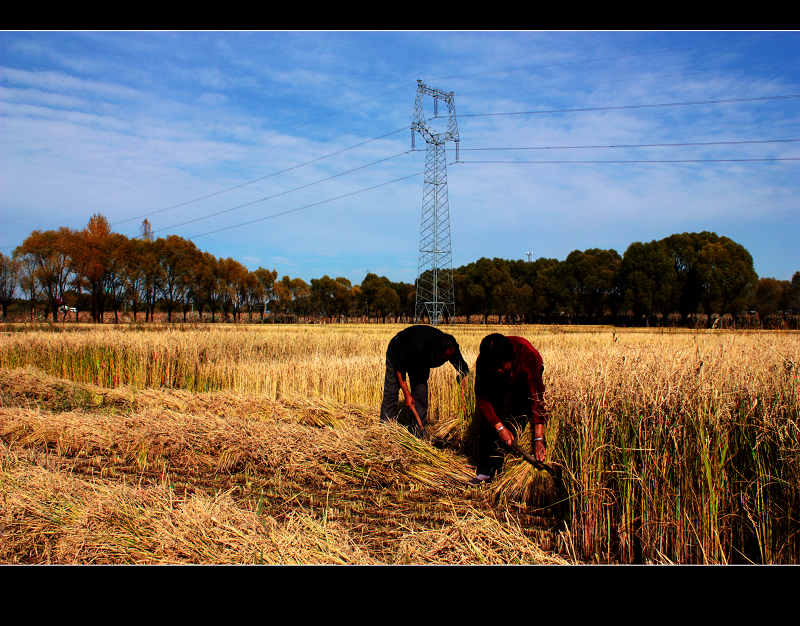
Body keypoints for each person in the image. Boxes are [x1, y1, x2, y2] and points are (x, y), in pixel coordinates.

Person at [471, 333, 548, 484]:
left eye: (500, 367)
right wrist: (499, 427)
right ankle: (486, 471)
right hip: (501, 378)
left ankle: (504, 465)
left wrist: (539, 438)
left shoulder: (528, 357)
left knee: (518, 411)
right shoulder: (484, 362)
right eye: (493, 368)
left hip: (522, 378)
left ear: (510, 359)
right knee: (492, 417)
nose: (497, 371)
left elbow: (537, 399)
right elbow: (483, 399)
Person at [380, 324, 469, 435]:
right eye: (445, 357)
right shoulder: (419, 346)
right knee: (391, 391)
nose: (448, 360)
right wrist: (407, 394)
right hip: (397, 350)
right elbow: (399, 370)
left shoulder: (451, 348)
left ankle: (418, 431)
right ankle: (385, 429)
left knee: (420, 393)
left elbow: (464, 372)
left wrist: (464, 389)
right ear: (437, 352)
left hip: (420, 360)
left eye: (449, 357)